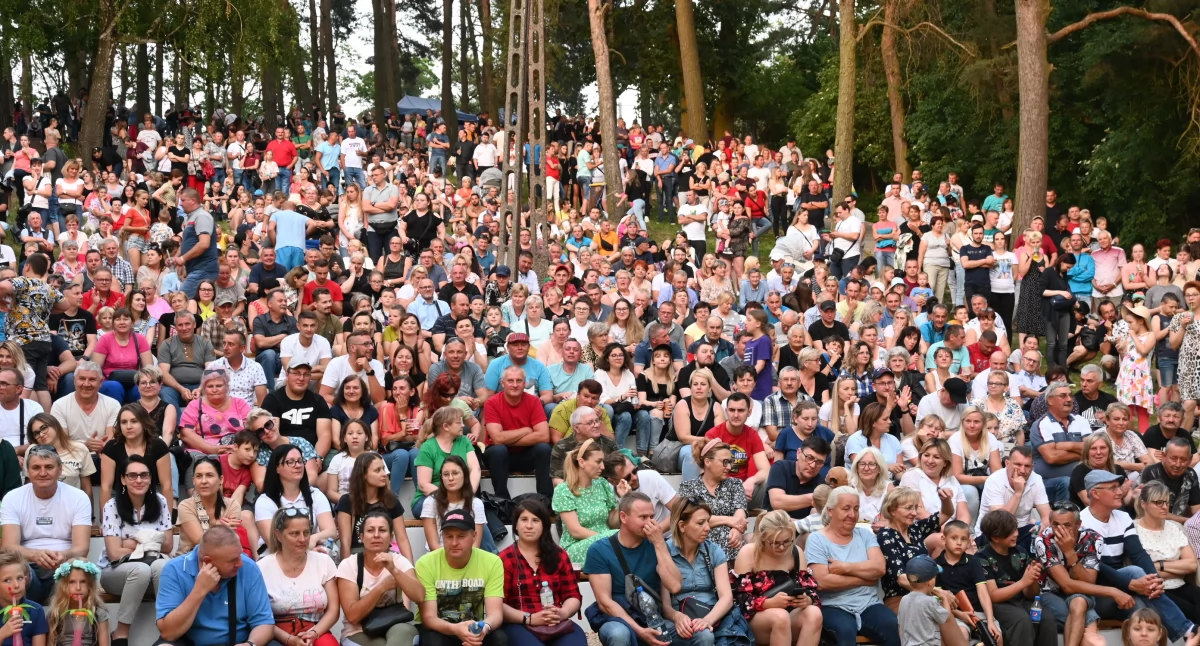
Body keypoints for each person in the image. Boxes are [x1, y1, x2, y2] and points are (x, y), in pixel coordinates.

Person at [1079, 470, 1199, 641]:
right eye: (1113, 488)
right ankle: (1188, 631)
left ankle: (1187, 631)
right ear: (1095, 493)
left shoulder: (1122, 517)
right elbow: (1097, 565)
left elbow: (1138, 554)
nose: (1120, 492)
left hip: (1121, 582)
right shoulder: (1081, 522)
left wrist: (1156, 580)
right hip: (1096, 588)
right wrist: (1131, 583)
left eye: (1118, 487)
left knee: (1142, 603)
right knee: (1136, 581)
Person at [583, 491, 682, 646]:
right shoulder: (599, 550)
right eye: (643, 517)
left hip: (652, 616)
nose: (650, 523)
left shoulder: (657, 546)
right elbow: (605, 603)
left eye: (652, 517)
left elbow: (675, 586)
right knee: (620, 634)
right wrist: (639, 631)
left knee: (699, 635)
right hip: (616, 618)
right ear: (623, 517)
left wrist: (660, 544)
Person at [805, 486, 900, 646]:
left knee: (891, 624)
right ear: (830, 511)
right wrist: (864, 579)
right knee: (844, 631)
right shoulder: (817, 539)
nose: (852, 515)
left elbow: (879, 568)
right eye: (846, 509)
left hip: (868, 603)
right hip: (832, 605)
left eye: (856, 509)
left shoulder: (865, 535)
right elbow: (822, 582)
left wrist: (844, 568)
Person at [0, 444, 93, 604]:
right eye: (36, 467)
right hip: (27, 567)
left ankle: (80, 626)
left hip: (65, 566)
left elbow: (82, 549)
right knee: (13, 572)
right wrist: (35, 555)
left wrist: (64, 556)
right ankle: (16, 625)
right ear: (27, 471)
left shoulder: (78, 497)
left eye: (49, 467)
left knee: (78, 570)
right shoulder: (13, 497)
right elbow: (8, 547)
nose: (42, 473)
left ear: (60, 469)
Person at [154, 526, 275, 646]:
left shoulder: (249, 567)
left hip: (239, 642)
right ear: (207, 561)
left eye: (240, 555)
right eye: (232, 560)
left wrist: (250, 644)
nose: (240, 563)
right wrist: (199, 590)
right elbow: (168, 633)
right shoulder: (174, 570)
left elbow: (264, 623)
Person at [99, 454, 173, 645]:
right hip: (116, 572)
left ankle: (168, 631)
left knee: (161, 567)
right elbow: (114, 553)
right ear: (123, 479)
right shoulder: (112, 505)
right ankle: (121, 632)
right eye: (132, 475)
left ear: (150, 478)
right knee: (141, 569)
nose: (138, 480)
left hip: (153, 574)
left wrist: (130, 543)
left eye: (144, 475)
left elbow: (168, 545)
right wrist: (150, 543)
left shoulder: (161, 502)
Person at [498, 497, 588, 646]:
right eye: (524, 519)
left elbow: (572, 595)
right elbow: (497, 604)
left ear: (544, 525)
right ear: (515, 525)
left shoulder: (559, 555)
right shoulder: (504, 559)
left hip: (556, 622)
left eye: (535, 520)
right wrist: (530, 618)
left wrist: (562, 613)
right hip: (519, 623)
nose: (529, 526)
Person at [414, 508, 508, 646]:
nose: (454, 543)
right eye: (448, 536)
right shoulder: (426, 563)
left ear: (474, 536)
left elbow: (496, 614)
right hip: (440, 629)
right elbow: (429, 618)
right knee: (434, 642)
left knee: (500, 639)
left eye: (461, 536)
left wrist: (484, 628)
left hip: (475, 627)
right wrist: (455, 629)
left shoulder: (492, 562)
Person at [334, 510, 424, 646]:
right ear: (362, 537)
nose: (376, 535)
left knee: (404, 632)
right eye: (370, 530)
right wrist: (382, 587)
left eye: (382, 530)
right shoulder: (349, 565)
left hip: (394, 624)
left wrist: (394, 570)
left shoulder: (399, 561)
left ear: (391, 537)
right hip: (358, 631)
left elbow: (419, 596)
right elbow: (352, 616)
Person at [258, 507, 341, 646]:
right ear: (278, 535)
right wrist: (288, 639)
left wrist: (314, 633)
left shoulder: (323, 561)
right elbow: (259, 616)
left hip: (315, 629)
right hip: (276, 633)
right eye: (294, 534)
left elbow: (333, 610)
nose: (302, 539)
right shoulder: (262, 567)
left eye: (306, 533)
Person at [876, 486, 955, 612]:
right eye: (908, 508)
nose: (914, 513)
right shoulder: (886, 536)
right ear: (892, 511)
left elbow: (947, 513)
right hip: (901, 598)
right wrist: (936, 592)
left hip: (927, 595)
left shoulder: (915, 528)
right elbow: (901, 578)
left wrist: (945, 499)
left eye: (915, 508)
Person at [1134, 481, 1200, 628]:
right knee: (1190, 611)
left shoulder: (1175, 527)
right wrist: (1176, 569)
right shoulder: (1133, 530)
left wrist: (1160, 565)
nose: (1164, 507)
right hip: (1155, 589)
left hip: (1181, 584)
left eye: (1166, 502)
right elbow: (1143, 573)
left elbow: (1191, 564)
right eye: (1158, 502)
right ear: (1143, 504)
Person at [483, 365, 554, 499]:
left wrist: (507, 438)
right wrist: (526, 430)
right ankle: (502, 501)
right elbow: (497, 439)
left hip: (526, 455)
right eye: (510, 381)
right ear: (502, 383)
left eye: (519, 381)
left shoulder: (534, 401)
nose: (515, 385)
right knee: (498, 450)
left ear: (525, 383)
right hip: (499, 458)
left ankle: (546, 499)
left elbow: (544, 436)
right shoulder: (492, 403)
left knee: (544, 448)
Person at [254, 444, 338, 554]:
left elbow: (331, 531)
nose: (297, 465)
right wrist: (308, 547)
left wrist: (313, 539)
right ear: (277, 468)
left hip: (311, 553)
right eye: (290, 462)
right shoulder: (265, 501)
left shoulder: (315, 494)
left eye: (300, 461)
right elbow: (273, 542)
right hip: (276, 558)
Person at [335, 451, 414, 563]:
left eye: (383, 469)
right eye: (377, 470)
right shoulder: (347, 501)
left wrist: (410, 569)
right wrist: (345, 571)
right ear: (364, 475)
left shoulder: (391, 501)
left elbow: (402, 539)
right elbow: (345, 542)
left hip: (384, 555)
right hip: (357, 556)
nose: (384, 474)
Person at [553, 438, 621, 563]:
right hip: (577, 547)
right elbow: (576, 531)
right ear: (582, 462)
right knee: (621, 537)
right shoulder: (563, 490)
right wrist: (608, 539)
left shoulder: (602, 483)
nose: (603, 466)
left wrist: (623, 499)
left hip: (608, 542)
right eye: (598, 462)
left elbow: (613, 523)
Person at [1030, 381, 1090, 503]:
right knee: (1069, 481)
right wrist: (1083, 453)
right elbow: (1052, 457)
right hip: (1049, 480)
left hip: (1081, 474)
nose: (1069, 399)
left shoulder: (1081, 420)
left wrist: (1069, 445)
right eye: (1063, 396)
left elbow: (1093, 449)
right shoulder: (1042, 424)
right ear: (1050, 400)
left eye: (1070, 395)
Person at [176, 456, 249, 555]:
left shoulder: (232, 505)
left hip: (224, 557)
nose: (204, 481)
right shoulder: (185, 506)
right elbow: (200, 542)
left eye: (209, 475)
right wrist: (222, 529)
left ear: (221, 479)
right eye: (199, 476)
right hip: (190, 558)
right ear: (193, 481)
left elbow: (230, 541)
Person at [261, 360, 333, 457]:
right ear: (287, 375)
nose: (301, 378)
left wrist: (317, 458)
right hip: (281, 455)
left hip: (313, 455)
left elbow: (325, 436)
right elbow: (273, 436)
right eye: (296, 373)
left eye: (306, 374)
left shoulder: (318, 401)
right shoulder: (272, 400)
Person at [897, 555, 968, 646]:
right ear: (930, 582)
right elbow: (946, 618)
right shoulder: (930, 601)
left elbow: (900, 626)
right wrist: (944, 599)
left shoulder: (904, 599)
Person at [765, 436, 830, 519]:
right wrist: (814, 498)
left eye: (819, 462)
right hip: (771, 527)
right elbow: (777, 502)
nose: (813, 465)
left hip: (801, 530)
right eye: (809, 458)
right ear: (798, 453)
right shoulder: (781, 467)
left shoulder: (821, 485)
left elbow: (813, 520)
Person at [1140, 437, 1200, 525]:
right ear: (1163, 456)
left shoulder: (1190, 474)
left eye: (1183, 460)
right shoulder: (1151, 472)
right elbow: (1156, 511)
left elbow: (1196, 509)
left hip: (1181, 525)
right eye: (1173, 459)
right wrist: (1188, 521)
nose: (1178, 464)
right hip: (1154, 524)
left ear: (1190, 459)